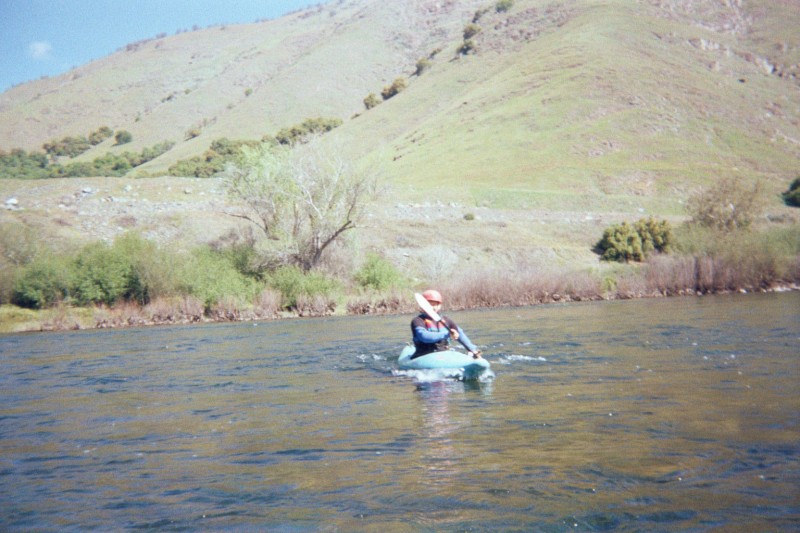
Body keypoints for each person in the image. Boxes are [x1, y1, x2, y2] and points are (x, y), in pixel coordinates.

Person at [411, 289, 482, 359]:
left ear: (439, 305)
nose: (432, 307)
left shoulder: (446, 320)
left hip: (444, 354)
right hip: (423, 355)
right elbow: (424, 337)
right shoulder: (417, 321)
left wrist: (472, 349)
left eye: (434, 305)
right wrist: (447, 334)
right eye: (429, 305)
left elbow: (459, 334)